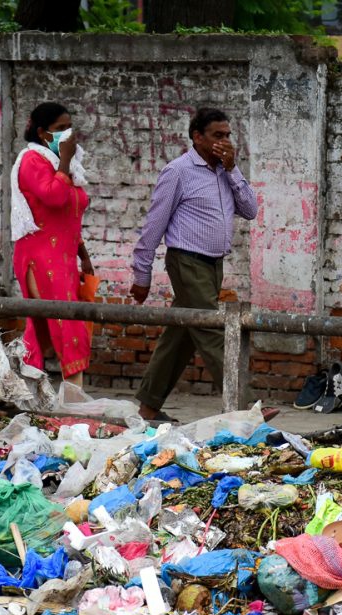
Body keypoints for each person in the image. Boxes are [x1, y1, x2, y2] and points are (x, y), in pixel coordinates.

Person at [130, 108, 258, 422]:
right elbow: (154, 223)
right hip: (186, 261)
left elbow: (251, 210)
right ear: (197, 137)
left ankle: (148, 405)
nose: (224, 141)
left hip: (214, 265)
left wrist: (233, 170)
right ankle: (246, 408)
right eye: (217, 135)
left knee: (182, 336)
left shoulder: (225, 172)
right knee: (214, 330)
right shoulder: (179, 171)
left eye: (228, 135)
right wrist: (142, 272)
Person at [11, 102, 93, 386]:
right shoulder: (32, 160)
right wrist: (65, 162)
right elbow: (54, 197)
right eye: (61, 129)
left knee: (51, 326)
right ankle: (71, 397)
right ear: (43, 133)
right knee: (62, 322)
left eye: (70, 128)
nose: (68, 135)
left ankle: (31, 391)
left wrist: (84, 255)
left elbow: (69, 214)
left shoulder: (63, 164)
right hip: (40, 255)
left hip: (65, 256)